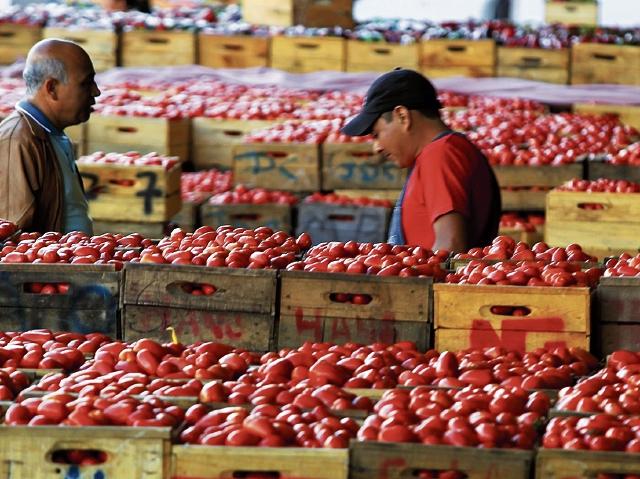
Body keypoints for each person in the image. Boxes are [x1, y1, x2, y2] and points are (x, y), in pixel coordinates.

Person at [341, 68, 501, 253]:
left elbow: (450, 247)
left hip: (432, 281)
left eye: (377, 134)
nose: (376, 148)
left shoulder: (440, 154)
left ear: (402, 116)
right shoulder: (451, 151)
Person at [0, 39, 101, 235]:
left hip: (69, 262)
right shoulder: (17, 141)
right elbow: (11, 238)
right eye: (86, 83)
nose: (96, 91)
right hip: (51, 266)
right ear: (52, 88)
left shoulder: (51, 135)